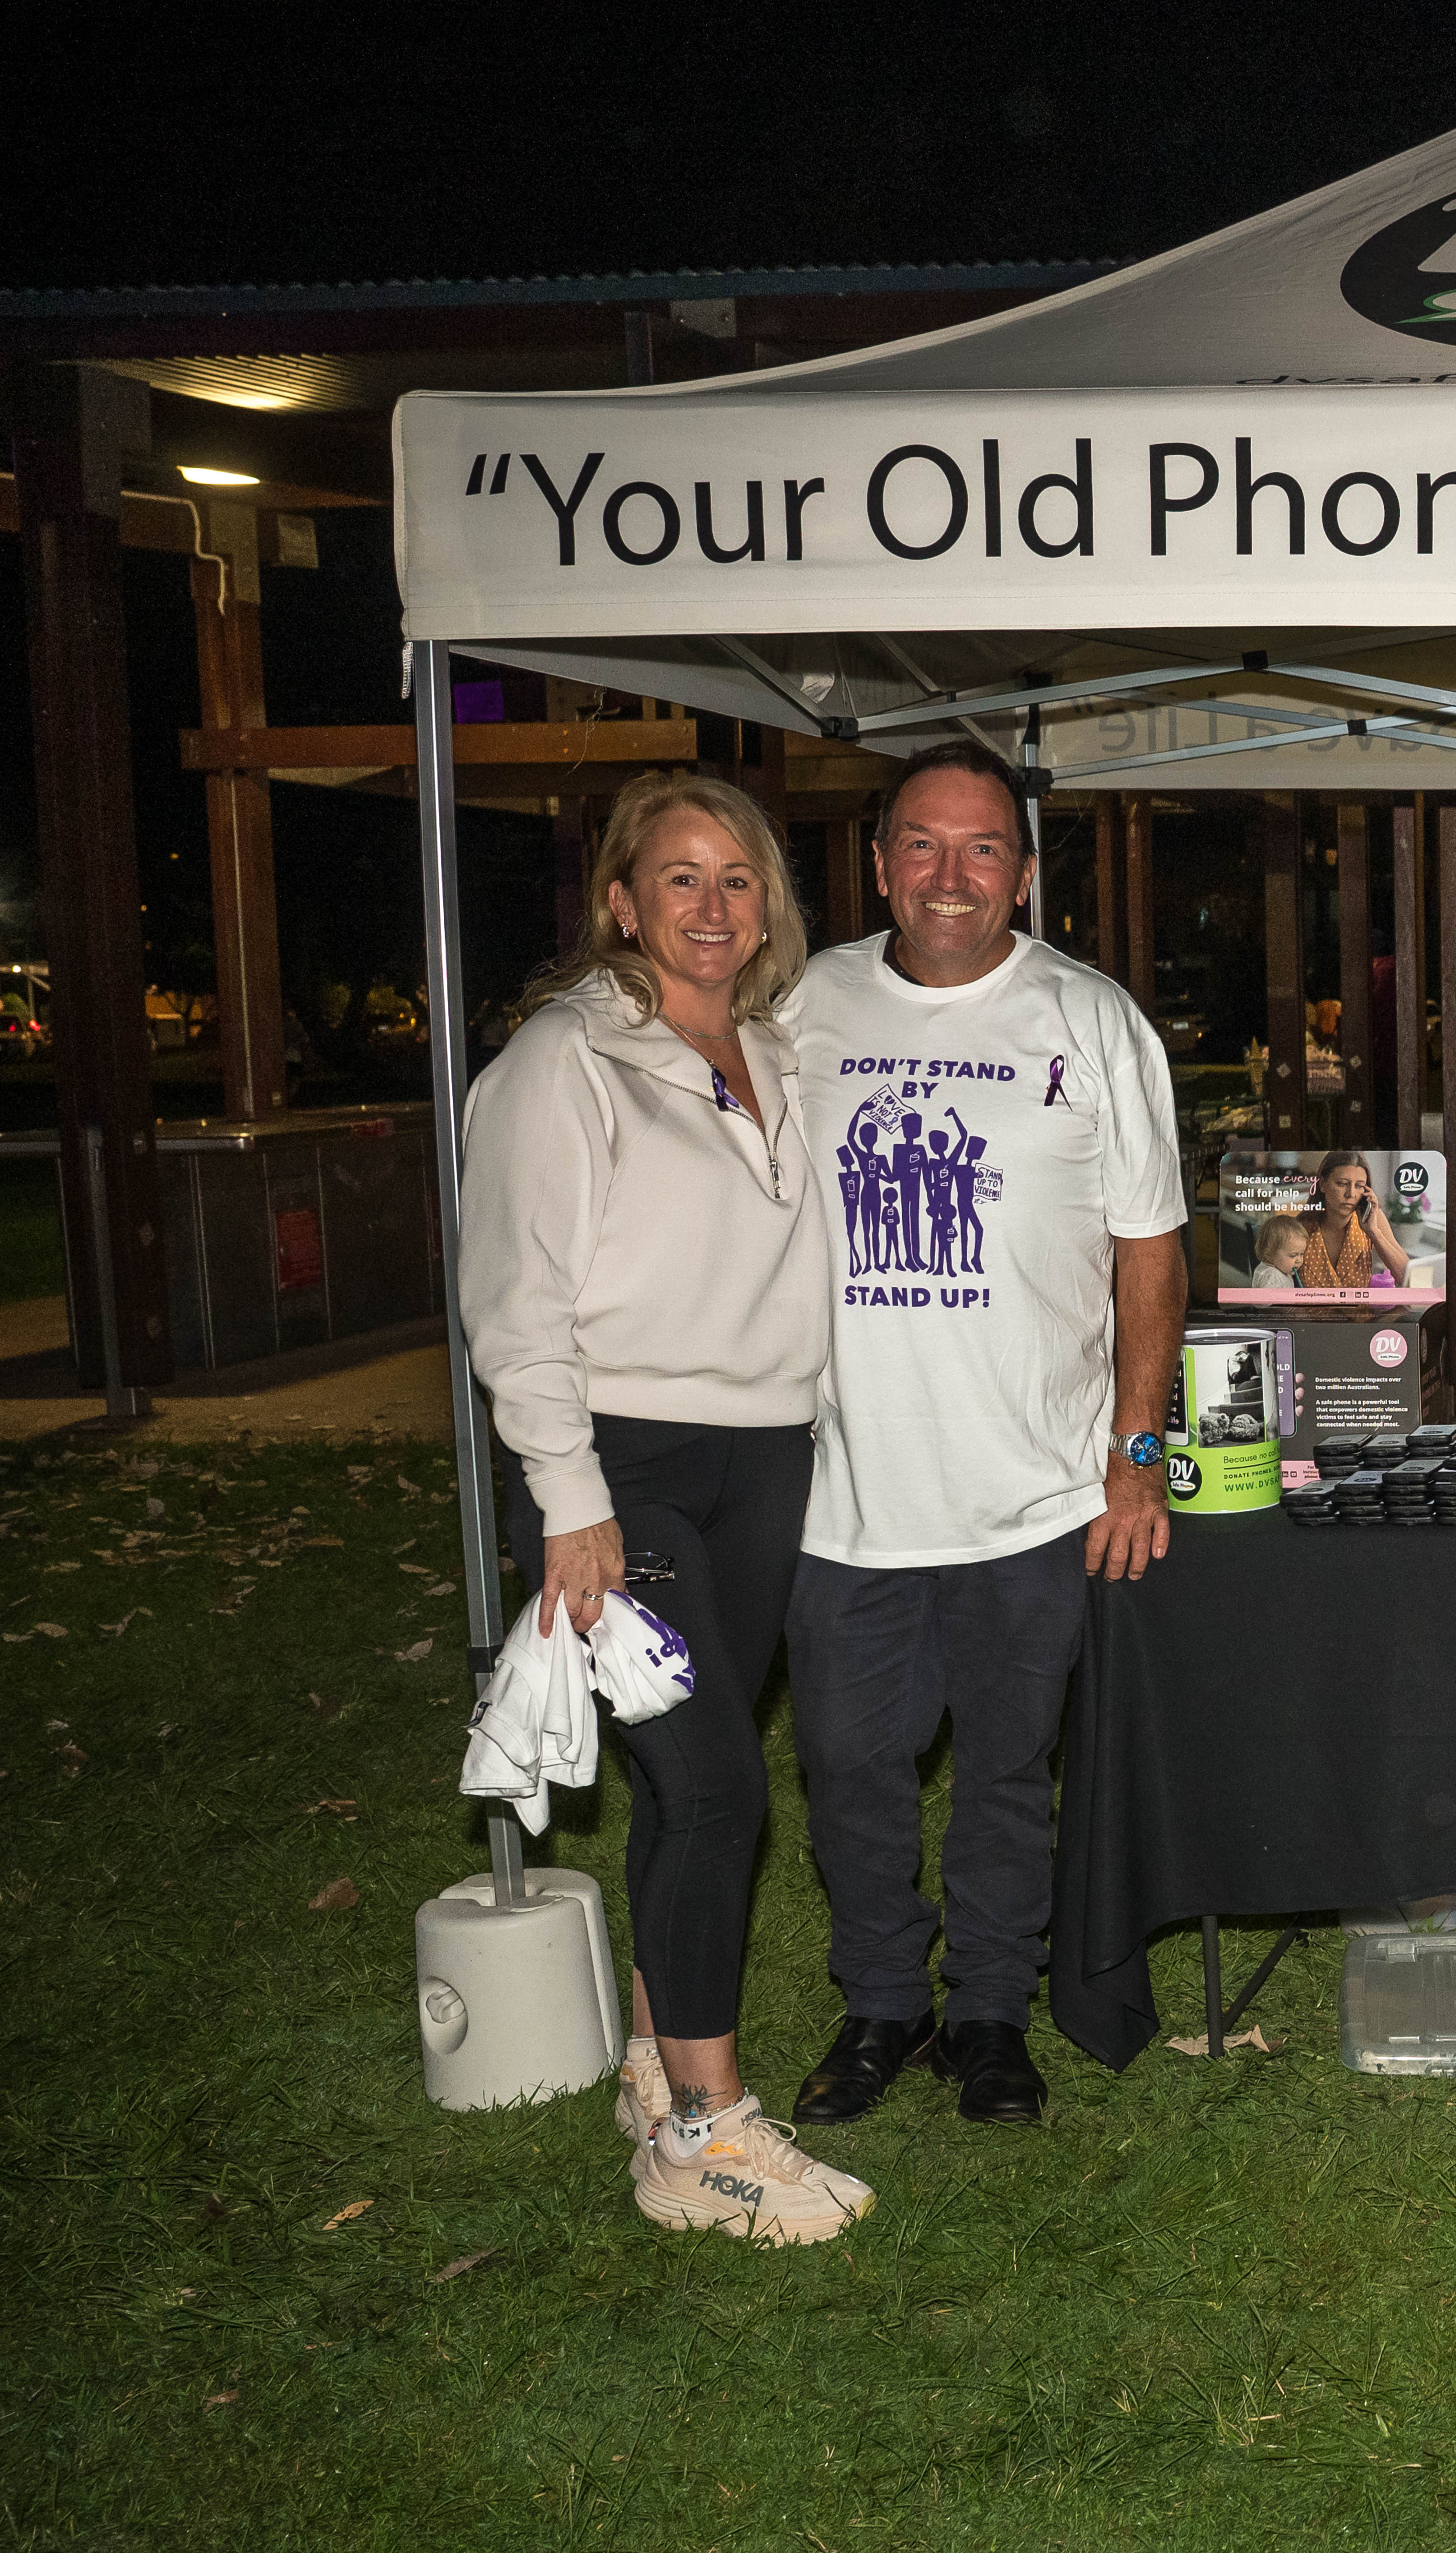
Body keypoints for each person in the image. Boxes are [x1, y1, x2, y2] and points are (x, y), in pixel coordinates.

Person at [459, 772, 871, 2244]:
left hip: (764, 1454)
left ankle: (649, 2060)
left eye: (738, 879)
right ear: (620, 901)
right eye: (677, 880)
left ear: (770, 903)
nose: (711, 908)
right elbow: (515, 1308)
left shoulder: (778, 1047)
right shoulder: (562, 1062)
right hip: (622, 1463)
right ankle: (703, 2131)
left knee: (685, 1782)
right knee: (713, 1783)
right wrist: (567, 1499)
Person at [784, 738, 1189, 2132]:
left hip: (1032, 1488)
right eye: (921, 844)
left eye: (981, 850)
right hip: (846, 1490)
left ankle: (990, 2014)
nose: (949, 876)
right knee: (849, 1763)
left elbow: (1149, 1252)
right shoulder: (802, 1005)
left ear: (1022, 872)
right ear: (879, 859)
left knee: (1011, 1771)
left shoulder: (1088, 1019)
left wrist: (1135, 1457)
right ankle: (883, 1999)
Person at [1304, 1150, 1411, 1289]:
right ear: (1323, 1184)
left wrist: (1374, 1233)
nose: (1351, 1194)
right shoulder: (1301, 1228)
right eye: (1342, 1184)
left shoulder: (1373, 1219)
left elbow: (1407, 1278)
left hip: (1359, 1311)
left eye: (1359, 1186)